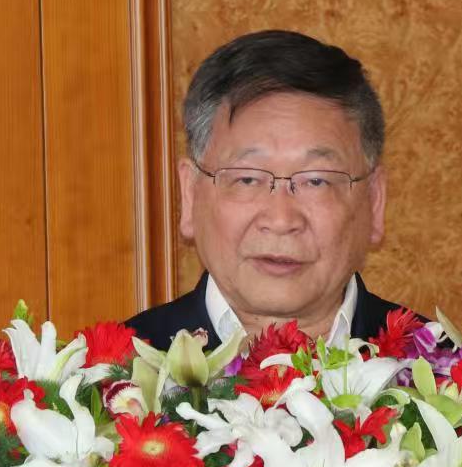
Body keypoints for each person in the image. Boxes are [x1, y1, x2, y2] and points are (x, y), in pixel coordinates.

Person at [127, 29, 413, 350]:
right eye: (247, 179)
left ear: (374, 201)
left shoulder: (447, 372)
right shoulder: (107, 374)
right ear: (190, 194)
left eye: (316, 181)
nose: (281, 220)